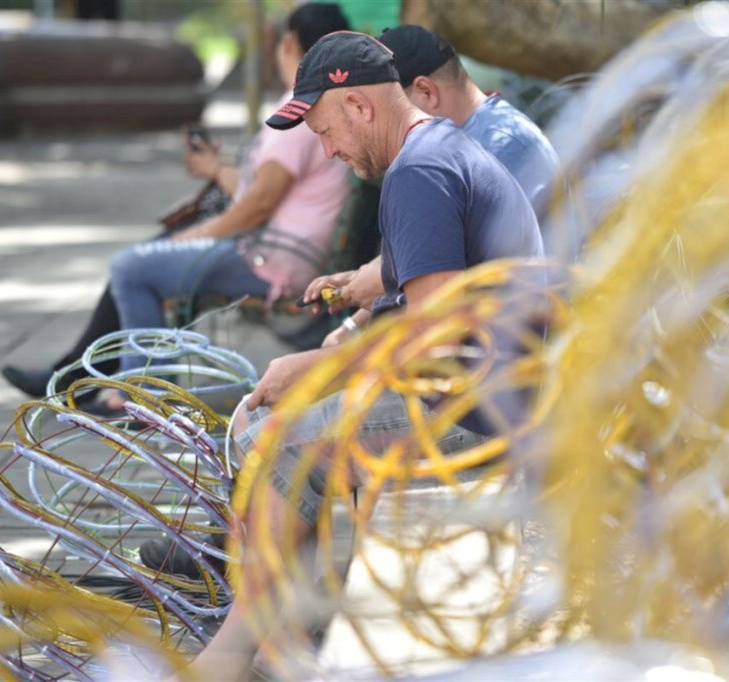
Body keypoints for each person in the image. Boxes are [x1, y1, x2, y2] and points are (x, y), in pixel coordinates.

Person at [156, 31, 543, 679]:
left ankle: (248, 648)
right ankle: (280, 634)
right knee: (284, 425)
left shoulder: (419, 172)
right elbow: (425, 298)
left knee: (286, 439)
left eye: (326, 130)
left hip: (481, 415)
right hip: (498, 388)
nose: (328, 150)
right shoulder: (435, 152)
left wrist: (318, 367)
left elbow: (437, 338)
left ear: (360, 106)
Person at [0, 3, 352, 400]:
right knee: (143, 259)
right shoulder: (315, 103)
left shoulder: (298, 114)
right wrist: (218, 169)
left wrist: (197, 235)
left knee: (133, 266)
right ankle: (82, 379)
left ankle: (142, 394)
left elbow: (259, 204)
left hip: (274, 261)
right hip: (274, 251)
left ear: (288, 43)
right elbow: (262, 192)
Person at [299, 24, 560, 347]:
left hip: (509, 363)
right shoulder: (449, 147)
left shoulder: (441, 160)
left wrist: (336, 357)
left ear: (425, 92)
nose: (328, 151)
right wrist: (366, 289)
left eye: (326, 132)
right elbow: (452, 254)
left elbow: (438, 329)